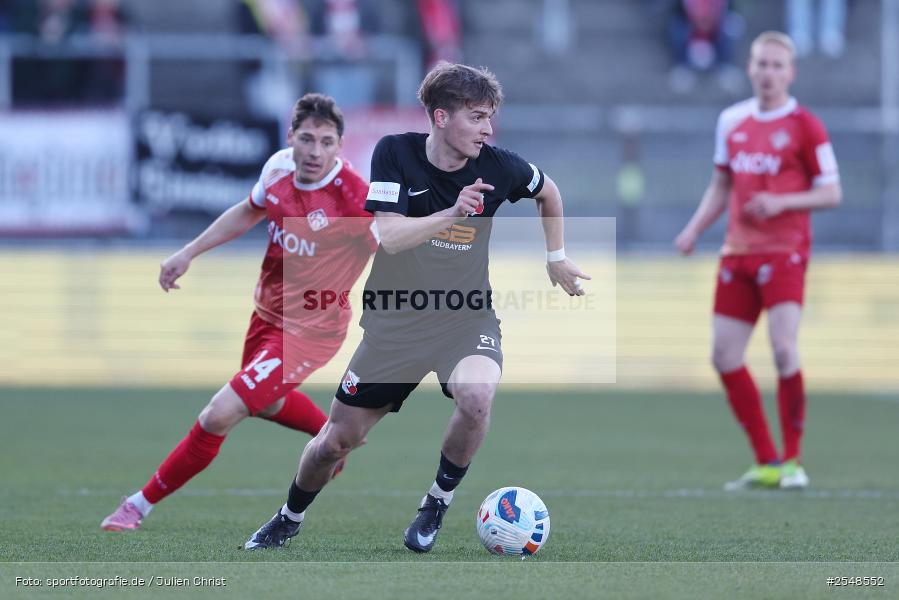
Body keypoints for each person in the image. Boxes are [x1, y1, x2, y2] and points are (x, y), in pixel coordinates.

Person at [243, 62, 590, 551]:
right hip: (395, 324)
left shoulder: (499, 165)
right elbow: (391, 236)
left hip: (465, 318)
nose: (488, 129)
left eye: (490, 117)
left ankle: (435, 505)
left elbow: (547, 191)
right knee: (336, 441)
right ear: (441, 116)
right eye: (477, 117)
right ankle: (288, 517)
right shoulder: (395, 153)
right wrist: (453, 212)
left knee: (476, 397)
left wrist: (555, 256)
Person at [101, 93, 378, 531]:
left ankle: (137, 505)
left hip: (312, 329)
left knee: (219, 412)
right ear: (291, 137)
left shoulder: (355, 198)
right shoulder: (279, 168)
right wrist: (189, 252)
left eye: (326, 142)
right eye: (307, 139)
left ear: (340, 146)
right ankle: (332, 437)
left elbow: (395, 245)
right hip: (266, 316)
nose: (315, 151)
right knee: (266, 405)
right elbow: (248, 211)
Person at [674, 31, 841, 491]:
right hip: (737, 253)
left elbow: (832, 192)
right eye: (761, 64)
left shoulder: (806, 125)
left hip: (784, 252)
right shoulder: (732, 121)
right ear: (750, 68)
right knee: (724, 355)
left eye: (776, 66)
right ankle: (766, 460)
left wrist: (782, 203)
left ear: (791, 73)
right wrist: (693, 229)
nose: (768, 73)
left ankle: (793, 461)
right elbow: (722, 185)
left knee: (784, 348)